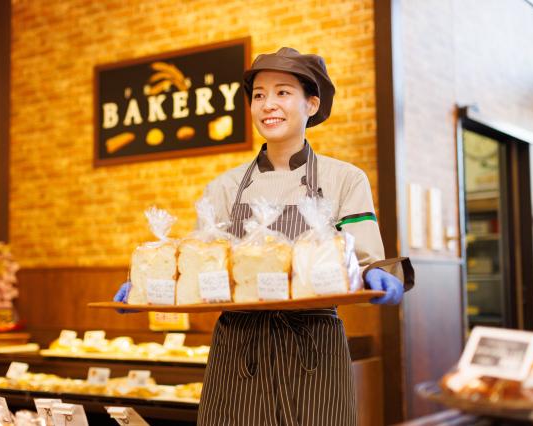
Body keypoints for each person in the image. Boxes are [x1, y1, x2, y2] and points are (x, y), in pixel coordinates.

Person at [114, 47, 413, 425]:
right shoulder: (225, 187)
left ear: (311, 103)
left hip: (314, 346)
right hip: (240, 348)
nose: (268, 104)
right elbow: (195, 266)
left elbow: (365, 257)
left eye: (283, 92)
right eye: (259, 95)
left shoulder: (345, 179)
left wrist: (374, 274)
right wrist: (143, 288)